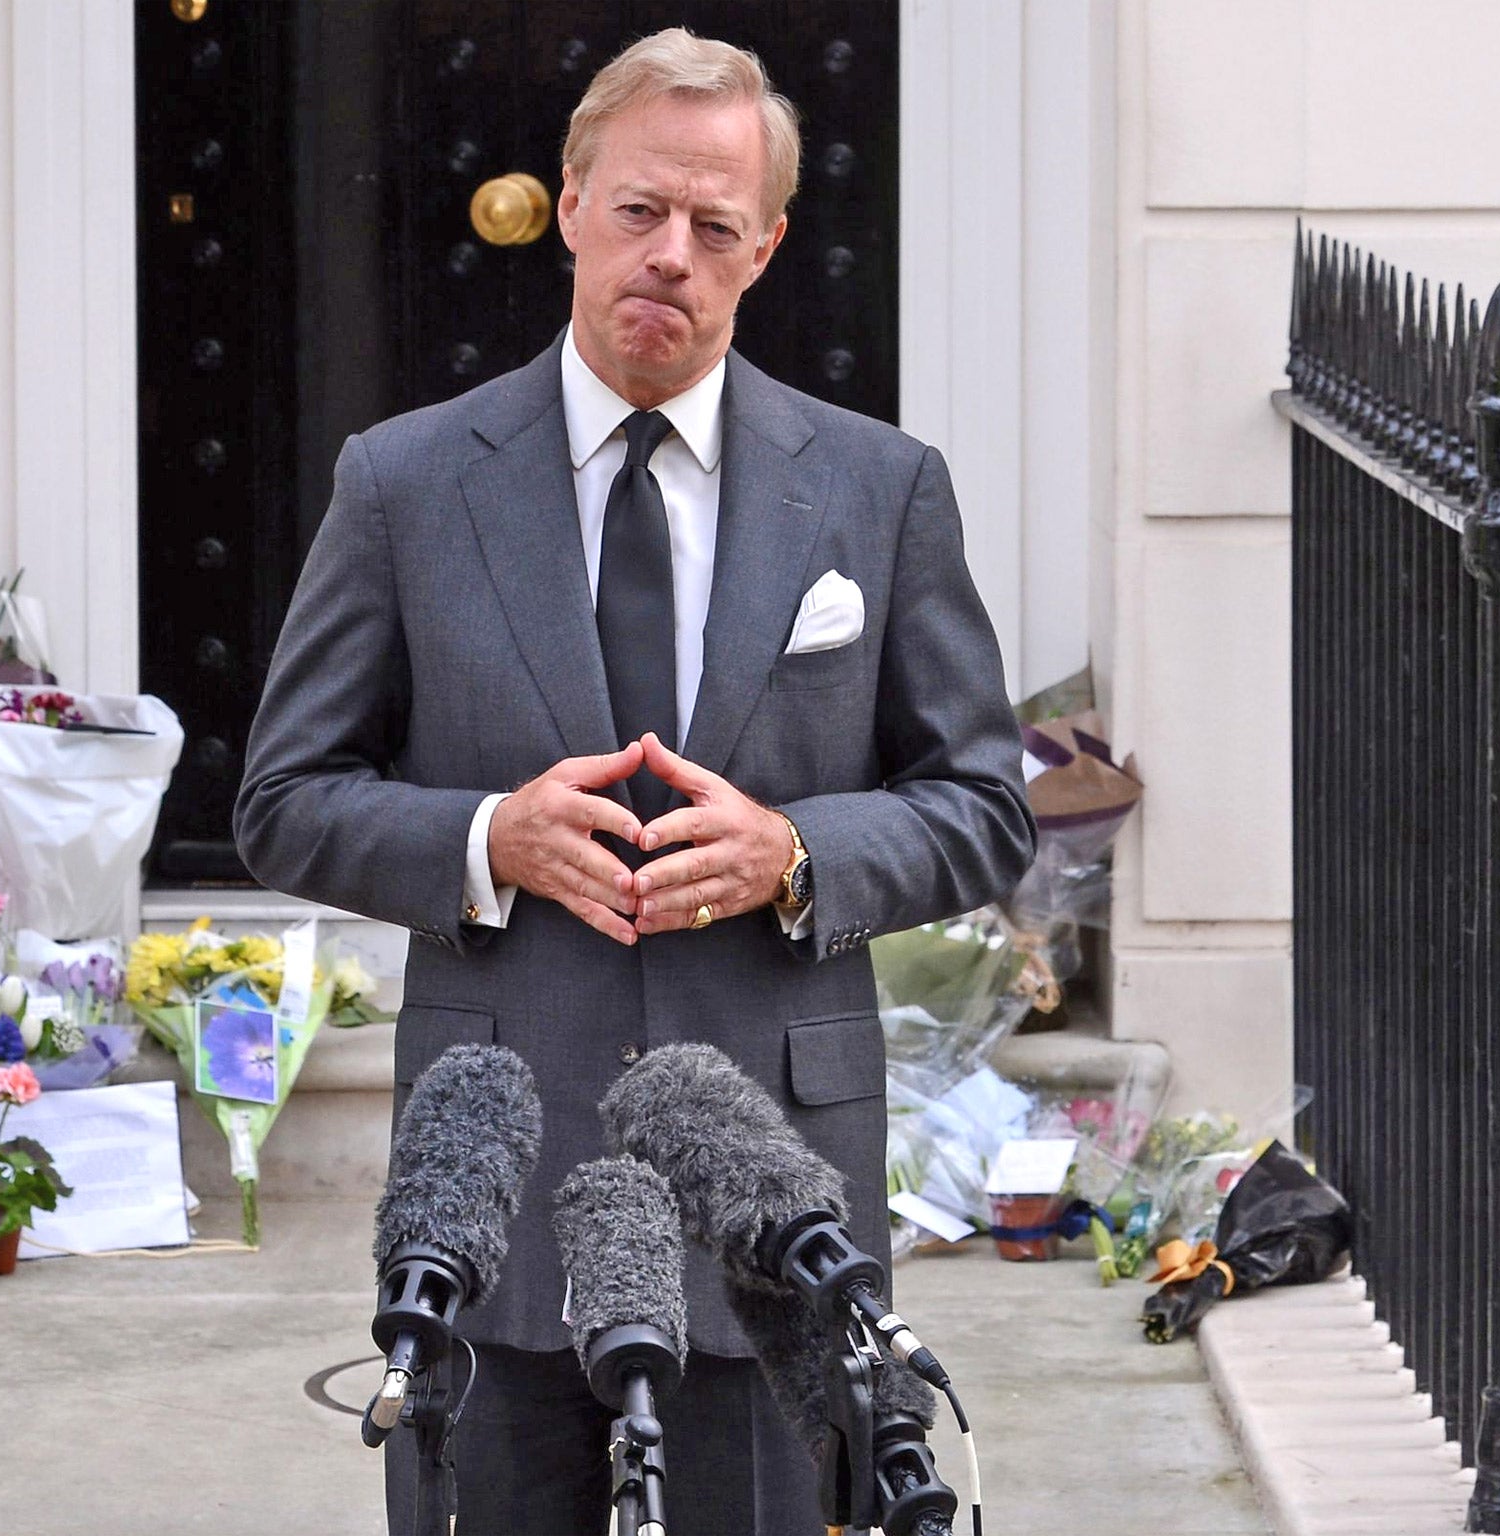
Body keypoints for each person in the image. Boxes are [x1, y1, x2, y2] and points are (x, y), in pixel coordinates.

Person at [235, 27, 1034, 1536]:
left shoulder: (879, 488)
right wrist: (489, 837)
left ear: (767, 248)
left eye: (715, 227)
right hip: (498, 1194)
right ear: (573, 202)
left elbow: (984, 802)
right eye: (640, 211)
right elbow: (283, 793)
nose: (671, 254)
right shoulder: (402, 483)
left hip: (769, 1198)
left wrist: (796, 850)